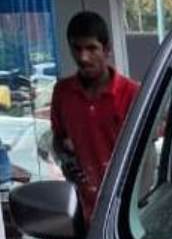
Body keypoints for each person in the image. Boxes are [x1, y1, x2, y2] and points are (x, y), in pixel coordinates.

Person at [51, 12, 139, 223]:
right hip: (85, 213)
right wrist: (66, 159)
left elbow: (147, 155)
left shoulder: (132, 93)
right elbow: (59, 138)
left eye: (91, 48)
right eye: (77, 48)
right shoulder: (62, 93)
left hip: (129, 213)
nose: (83, 57)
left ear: (106, 49)